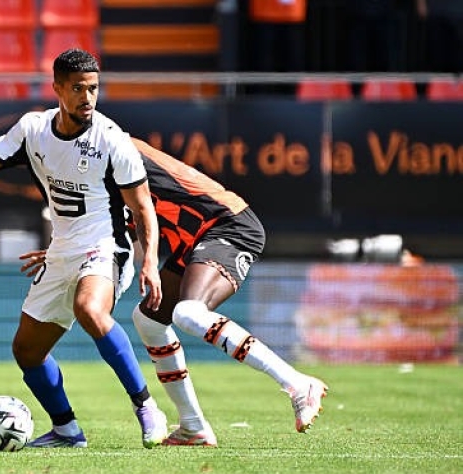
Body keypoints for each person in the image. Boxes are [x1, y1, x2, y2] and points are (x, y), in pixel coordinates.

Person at [20, 137, 329, 447]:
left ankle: (298, 384)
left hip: (227, 225)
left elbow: (131, 209)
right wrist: (60, 253)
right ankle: (193, 427)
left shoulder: (113, 149)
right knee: (149, 319)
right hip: (192, 240)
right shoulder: (96, 165)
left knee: (188, 312)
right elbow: (111, 222)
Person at [0, 49, 168, 449]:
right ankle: (68, 430)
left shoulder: (111, 139)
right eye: (78, 89)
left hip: (106, 247)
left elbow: (143, 208)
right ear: (57, 89)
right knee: (26, 351)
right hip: (61, 251)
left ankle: (146, 407)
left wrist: (150, 262)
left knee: (90, 309)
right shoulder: (32, 129)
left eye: (93, 89)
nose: (87, 98)